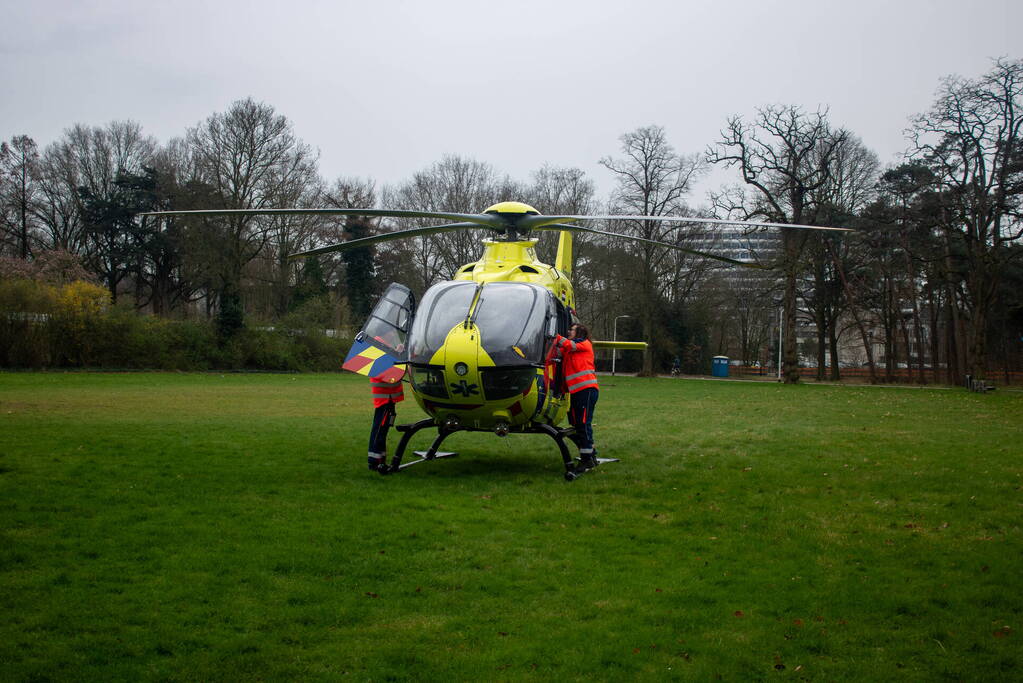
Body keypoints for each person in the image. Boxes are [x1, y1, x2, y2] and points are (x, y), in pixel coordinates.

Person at [553, 322, 600, 470]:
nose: (569, 331)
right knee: (578, 422)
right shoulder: (571, 348)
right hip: (578, 391)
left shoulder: (584, 344)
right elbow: (559, 352)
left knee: (583, 423)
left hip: (586, 390)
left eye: (571, 330)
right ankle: (591, 453)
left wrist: (553, 334)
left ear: (579, 332)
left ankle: (586, 459)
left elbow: (567, 344)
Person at [368, 372, 404, 471]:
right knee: (379, 432)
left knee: (382, 432)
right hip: (385, 400)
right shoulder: (384, 366)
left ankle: (380, 460)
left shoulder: (385, 364)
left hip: (388, 399)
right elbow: (391, 378)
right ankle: (374, 462)